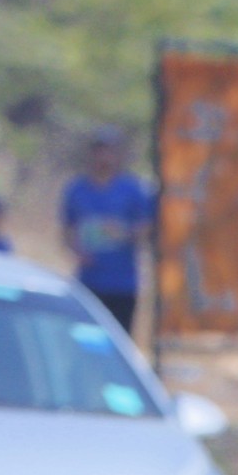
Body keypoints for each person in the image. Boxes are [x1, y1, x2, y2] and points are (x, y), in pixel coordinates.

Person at [61, 130, 156, 332]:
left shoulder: (133, 189)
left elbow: (147, 227)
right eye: (100, 151)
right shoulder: (77, 189)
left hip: (122, 284)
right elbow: (68, 229)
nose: (104, 157)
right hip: (89, 281)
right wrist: (77, 251)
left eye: (110, 151)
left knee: (119, 335)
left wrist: (122, 233)